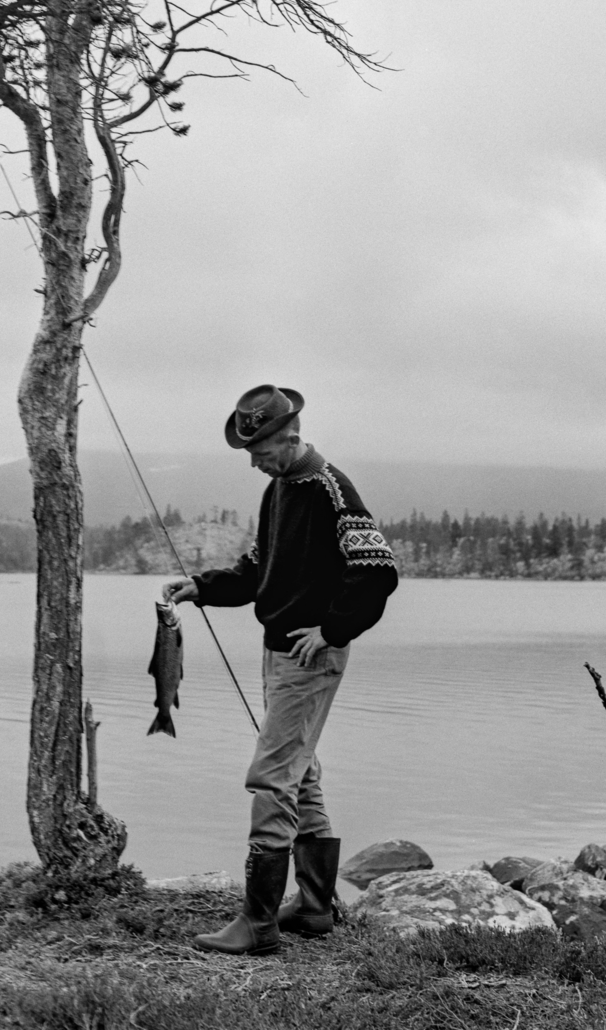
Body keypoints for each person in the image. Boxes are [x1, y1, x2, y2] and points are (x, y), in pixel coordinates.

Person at [163, 383, 398, 955]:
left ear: (290, 435)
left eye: (261, 449)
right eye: (249, 450)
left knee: (271, 777)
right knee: (300, 772)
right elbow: (256, 568)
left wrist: (333, 631)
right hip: (279, 652)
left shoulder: (330, 488)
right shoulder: (280, 488)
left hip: (308, 657)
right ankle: (316, 907)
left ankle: (259, 922)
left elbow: (377, 569)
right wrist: (201, 587)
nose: (253, 461)